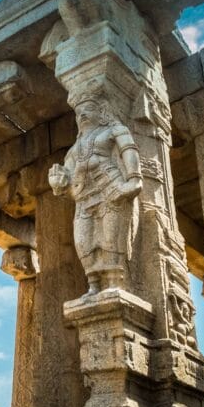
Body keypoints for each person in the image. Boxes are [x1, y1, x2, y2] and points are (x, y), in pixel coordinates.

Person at [49, 94, 142, 296]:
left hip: (111, 190)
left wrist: (134, 179)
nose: (82, 114)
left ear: (101, 111)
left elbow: (128, 150)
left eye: (88, 108)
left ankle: (114, 282)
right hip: (83, 198)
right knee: (83, 243)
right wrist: (58, 183)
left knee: (111, 239)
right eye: (78, 112)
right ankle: (94, 284)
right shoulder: (74, 150)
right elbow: (68, 176)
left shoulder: (115, 130)